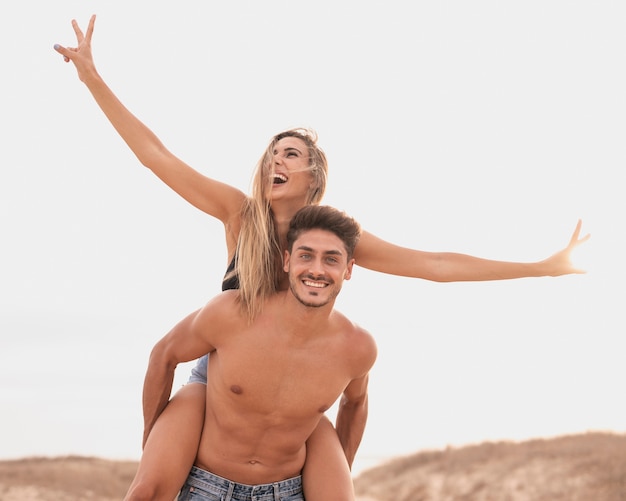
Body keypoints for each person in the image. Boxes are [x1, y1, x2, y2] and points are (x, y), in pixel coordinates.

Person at [53, 14, 590, 501]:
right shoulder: (241, 215)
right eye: (271, 154)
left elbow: (437, 265)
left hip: (297, 391)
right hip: (220, 376)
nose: (274, 162)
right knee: (148, 486)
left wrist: (542, 266)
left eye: (290, 154)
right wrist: (92, 79)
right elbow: (155, 156)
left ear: (314, 175)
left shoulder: (335, 240)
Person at [133, 205, 377, 501]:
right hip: (207, 485)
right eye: (306, 255)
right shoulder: (232, 313)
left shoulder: (357, 347)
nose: (316, 269)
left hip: (286, 491)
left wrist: (341, 466)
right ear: (287, 261)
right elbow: (164, 355)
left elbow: (356, 402)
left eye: (331, 259)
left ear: (348, 269)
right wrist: (151, 441)